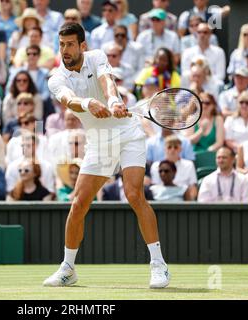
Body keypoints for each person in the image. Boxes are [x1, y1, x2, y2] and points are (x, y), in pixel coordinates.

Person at [44, 22, 170, 288]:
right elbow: (68, 100)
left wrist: (112, 101)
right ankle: (68, 269)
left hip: (129, 136)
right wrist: (90, 103)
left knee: (134, 194)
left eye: (70, 44)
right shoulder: (56, 78)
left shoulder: (97, 57)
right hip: (99, 143)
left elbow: (107, 81)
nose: (65, 50)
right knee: (78, 203)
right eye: (61, 44)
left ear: (82, 46)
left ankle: (158, 265)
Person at [150, 135, 198, 199]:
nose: (172, 150)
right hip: (160, 198)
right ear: (164, 149)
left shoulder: (189, 164)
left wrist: (189, 203)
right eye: (169, 147)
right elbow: (155, 187)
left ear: (180, 149)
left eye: (175, 147)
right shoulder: (156, 165)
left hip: (183, 198)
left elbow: (193, 187)